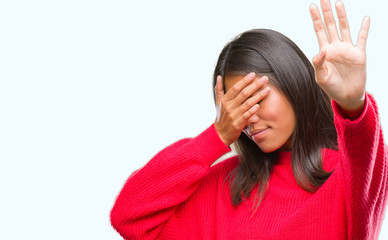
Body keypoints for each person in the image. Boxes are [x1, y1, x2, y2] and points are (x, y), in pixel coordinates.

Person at [110, 0, 388, 239]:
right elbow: (129, 217)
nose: (248, 118)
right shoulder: (227, 185)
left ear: (294, 85)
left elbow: (366, 160)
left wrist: (354, 105)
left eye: (256, 99)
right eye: (237, 107)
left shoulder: (347, 176)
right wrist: (216, 135)